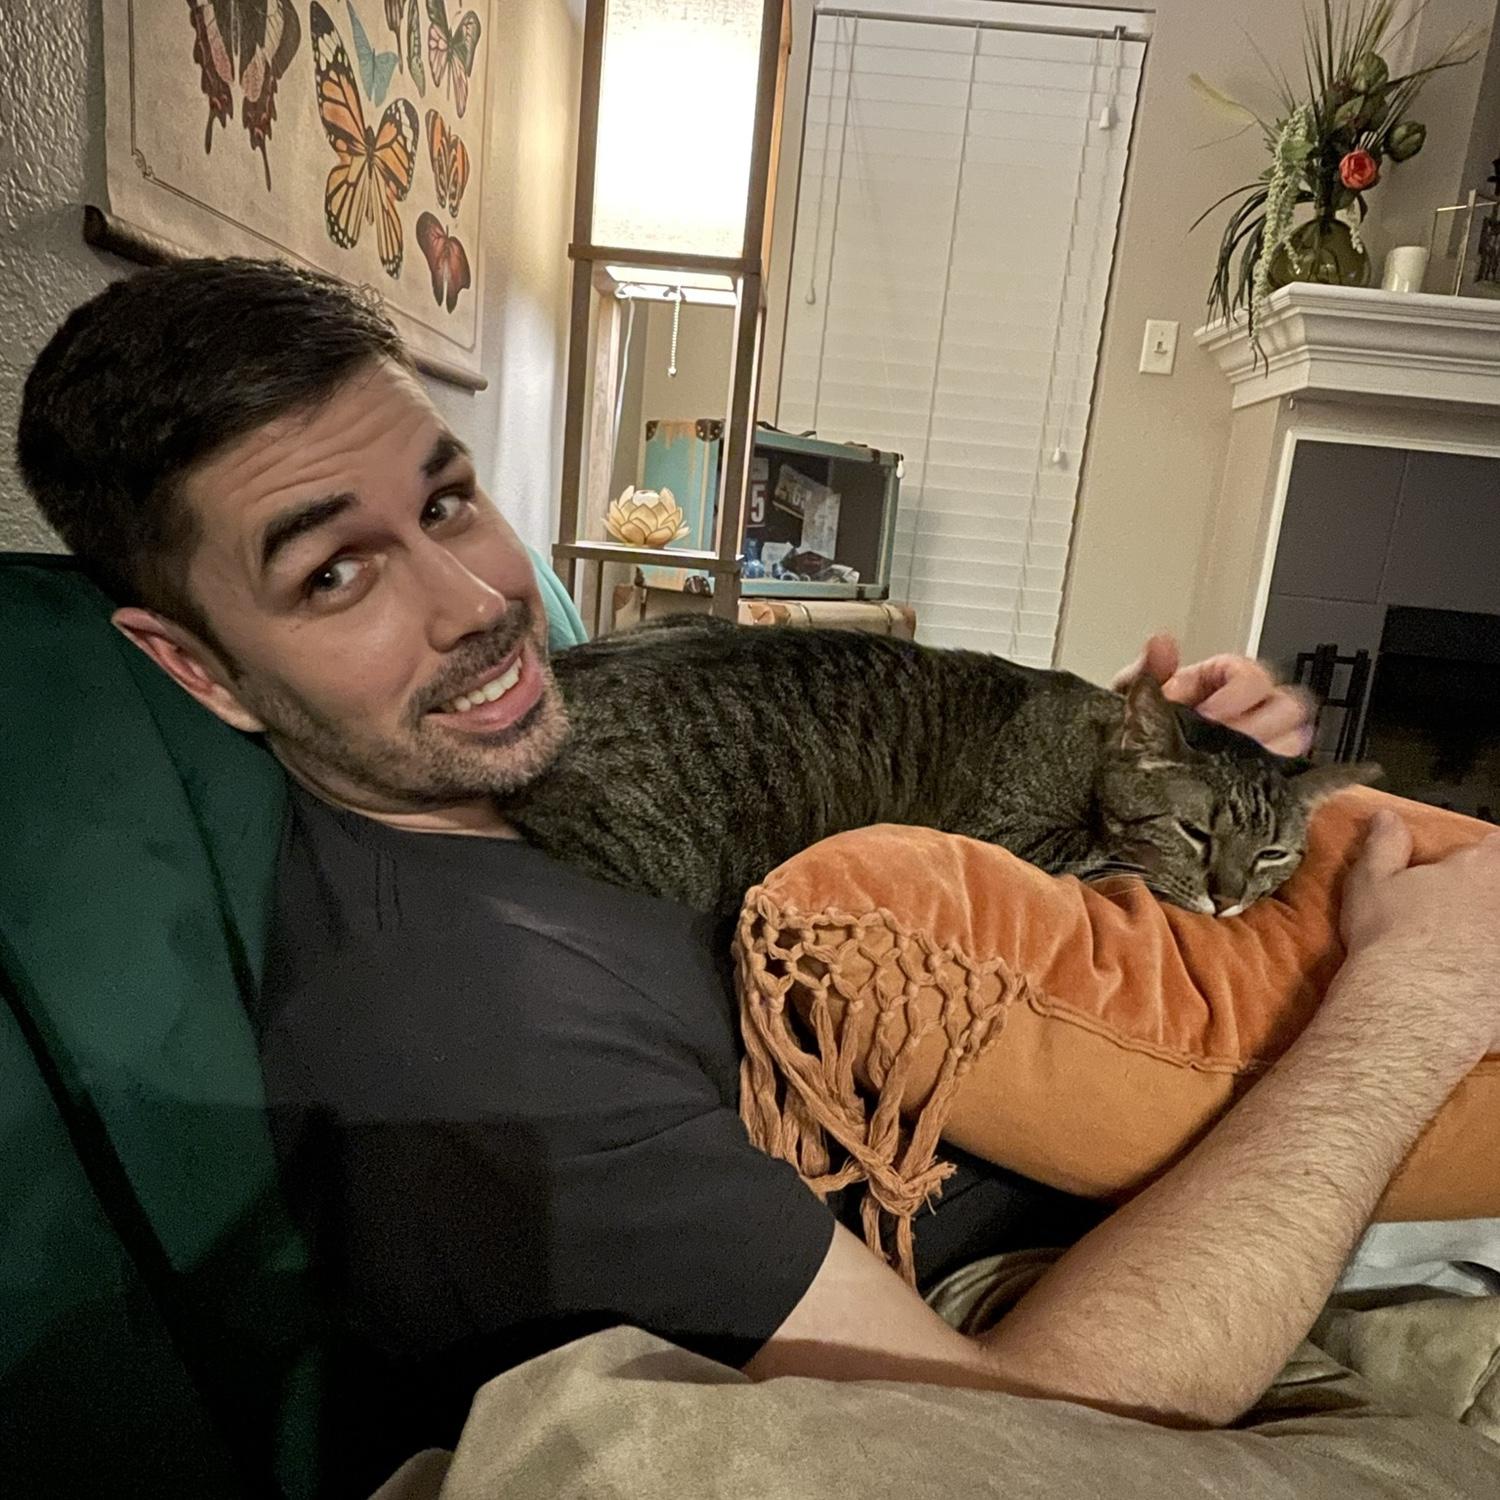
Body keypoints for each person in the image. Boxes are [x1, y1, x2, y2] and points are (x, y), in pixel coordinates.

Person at [17, 260, 1500, 1492]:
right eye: (334, 573)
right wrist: (1411, 1004)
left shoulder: (544, 756)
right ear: (196, 670)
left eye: (449, 500)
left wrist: (1157, 767)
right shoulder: (479, 1046)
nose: (476, 603)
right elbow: (1039, 1429)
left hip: (1126, 1175)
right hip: (1113, 1317)